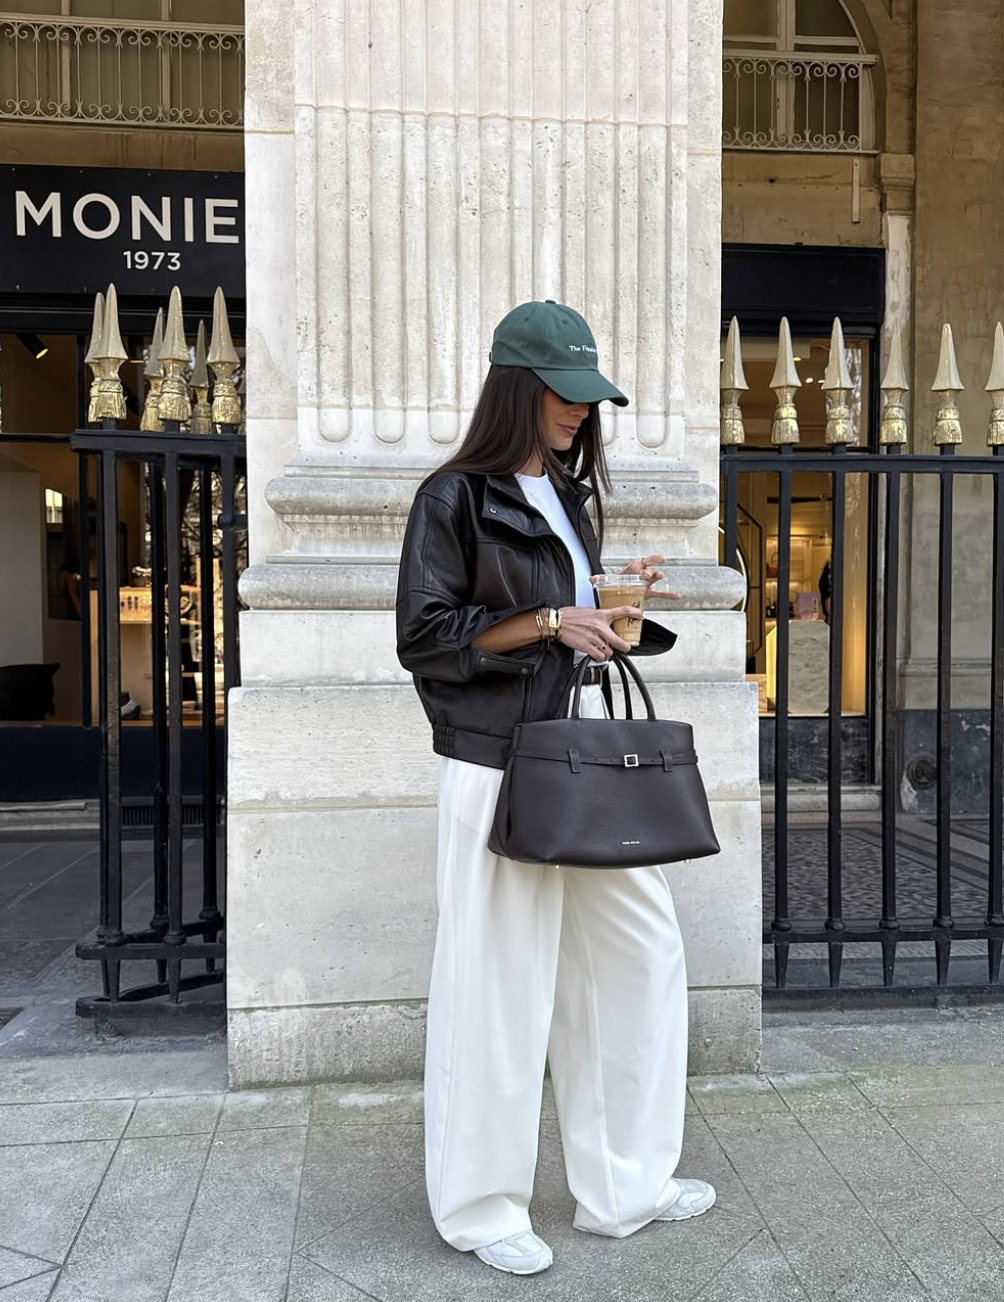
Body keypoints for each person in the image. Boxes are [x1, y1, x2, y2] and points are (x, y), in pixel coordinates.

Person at [396, 300, 715, 1277]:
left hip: (574, 760)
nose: (579, 412)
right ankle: (482, 1206)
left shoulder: (568, 502)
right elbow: (425, 638)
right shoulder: (453, 498)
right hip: (493, 764)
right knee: (498, 984)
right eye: (562, 394)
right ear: (516, 387)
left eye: (588, 396)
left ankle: (624, 1186)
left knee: (637, 956)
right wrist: (543, 621)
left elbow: (567, 634)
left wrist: (612, 612)